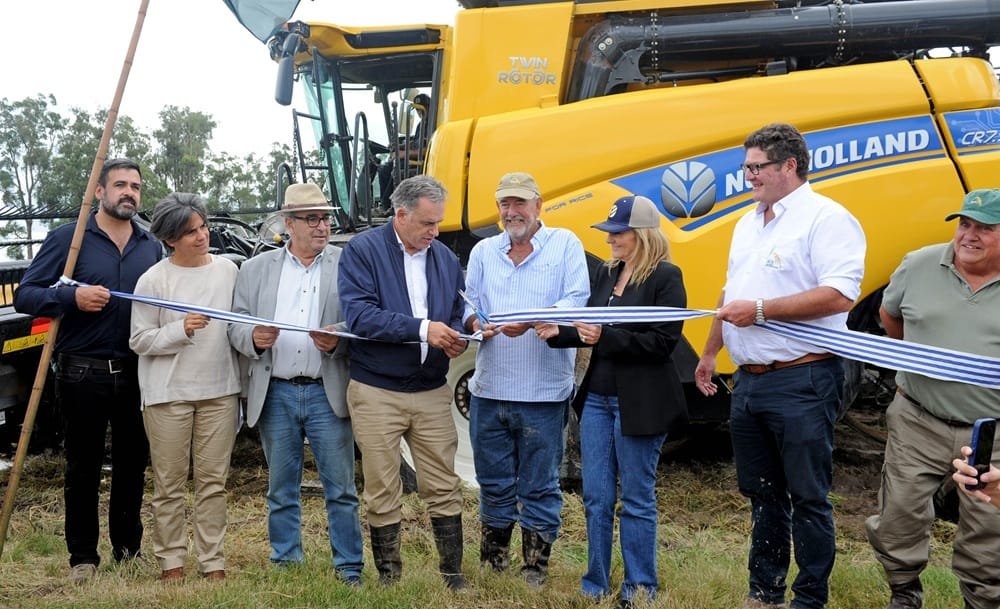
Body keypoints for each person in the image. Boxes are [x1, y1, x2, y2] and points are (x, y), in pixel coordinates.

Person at [694, 123, 866, 609]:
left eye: (756, 167)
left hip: (804, 377)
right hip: (750, 381)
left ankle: (809, 599)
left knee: (808, 496)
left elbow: (839, 293)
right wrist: (711, 352)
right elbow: (731, 296)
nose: (748, 176)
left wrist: (764, 311)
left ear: (789, 166)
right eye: (746, 167)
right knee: (762, 494)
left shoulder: (826, 218)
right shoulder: (748, 222)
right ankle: (764, 593)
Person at [13, 158, 161, 583]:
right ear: (100, 191)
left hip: (136, 370)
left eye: (135, 185)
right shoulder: (70, 240)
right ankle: (83, 558)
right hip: (82, 372)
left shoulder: (149, 246)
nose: (128, 192)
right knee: (83, 467)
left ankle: (128, 551)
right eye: (119, 185)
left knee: (133, 465)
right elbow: (27, 294)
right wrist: (70, 301)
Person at [539, 194, 688, 607]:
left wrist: (607, 336)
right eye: (609, 234)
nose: (610, 241)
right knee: (596, 497)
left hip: (639, 402)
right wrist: (559, 333)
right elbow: (591, 330)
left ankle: (640, 587)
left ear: (641, 235)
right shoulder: (608, 274)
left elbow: (662, 343)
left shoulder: (666, 277)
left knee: (637, 497)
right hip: (598, 401)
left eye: (618, 233)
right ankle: (595, 584)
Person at [865, 188, 1000, 609]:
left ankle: (982, 599)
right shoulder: (918, 264)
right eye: (964, 224)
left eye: (985, 228)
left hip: (991, 431)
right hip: (918, 416)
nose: (969, 236)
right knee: (898, 516)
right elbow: (891, 318)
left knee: (988, 525)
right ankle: (904, 592)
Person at [228, 182, 364, 585]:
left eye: (325, 218)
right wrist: (253, 338)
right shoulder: (255, 269)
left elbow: (363, 317)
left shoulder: (349, 263)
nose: (322, 226)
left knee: (340, 488)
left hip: (328, 389)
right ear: (288, 224)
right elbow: (235, 321)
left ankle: (349, 568)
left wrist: (338, 336)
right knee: (281, 486)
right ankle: (286, 562)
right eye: (312, 219)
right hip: (277, 391)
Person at [337, 174, 469, 590]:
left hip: (431, 390)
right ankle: (390, 578)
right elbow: (360, 316)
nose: (435, 232)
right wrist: (424, 329)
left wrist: (466, 325)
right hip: (377, 390)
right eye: (428, 224)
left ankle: (452, 576)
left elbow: (456, 307)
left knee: (444, 484)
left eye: (438, 224)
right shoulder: (362, 252)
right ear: (400, 215)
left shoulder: (445, 259)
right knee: (382, 486)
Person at [462, 172, 590, 586]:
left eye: (519, 203)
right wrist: (475, 324)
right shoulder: (484, 251)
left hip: (544, 390)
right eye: (504, 204)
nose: (511, 212)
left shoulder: (565, 244)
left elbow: (577, 301)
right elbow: (468, 304)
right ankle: (493, 563)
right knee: (493, 480)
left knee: (540, 484)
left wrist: (534, 318)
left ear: (539, 205)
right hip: (489, 387)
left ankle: (534, 567)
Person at [129, 193, 240, 582]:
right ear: (169, 239)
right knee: (169, 485)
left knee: (213, 483)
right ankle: (171, 562)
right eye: (189, 231)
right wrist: (180, 329)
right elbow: (139, 340)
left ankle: (213, 562)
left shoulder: (228, 270)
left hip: (220, 392)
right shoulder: (153, 279)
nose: (201, 235)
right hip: (167, 395)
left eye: (203, 227)